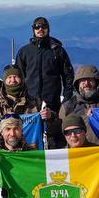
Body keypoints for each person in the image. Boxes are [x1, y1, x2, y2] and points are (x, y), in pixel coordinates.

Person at [15, 17, 74, 148]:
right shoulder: (25, 51)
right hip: (29, 104)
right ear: (33, 30)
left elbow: (68, 75)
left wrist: (67, 98)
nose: (40, 29)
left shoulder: (57, 50)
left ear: (48, 29)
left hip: (52, 103)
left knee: (53, 139)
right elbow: (18, 77)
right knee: (30, 138)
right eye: (37, 27)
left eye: (43, 26)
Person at [59, 64, 99, 128]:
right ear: (78, 84)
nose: (86, 83)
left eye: (90, 79)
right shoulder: (68, 107)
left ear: (96, 82)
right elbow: (59, 133)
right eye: (83, 80)